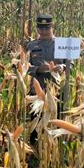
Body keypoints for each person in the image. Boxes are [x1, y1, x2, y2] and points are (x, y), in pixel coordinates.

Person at [26, 14, 67, 146]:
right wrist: (37, 69)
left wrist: (61, 67)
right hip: (37, 91)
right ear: (37, 28)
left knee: (55, 121)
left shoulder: (62, 44)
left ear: (52, 27)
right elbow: (23, 66)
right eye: (41, 28)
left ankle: (54, 149)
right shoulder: (31, 46)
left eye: (46, 28)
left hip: (57, 90)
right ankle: (35, 151)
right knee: (36, 123)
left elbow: (70, 64)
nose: (43, 31)